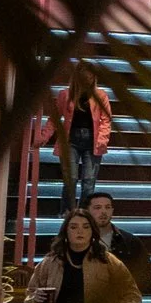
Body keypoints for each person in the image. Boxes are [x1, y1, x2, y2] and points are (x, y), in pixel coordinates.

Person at [48, 61, 113, 208]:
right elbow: (54, 118)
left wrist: (102, 140)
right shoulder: (65, 95)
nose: (88, 80)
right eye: (85, 77)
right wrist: (44, 136)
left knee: (89, 181)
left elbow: (106, 119)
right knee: (70, 179)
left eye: (90, 77)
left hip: (93, 141)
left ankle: (85, 213)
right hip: (71, 140)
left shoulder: (100, 95)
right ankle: (68, 212)